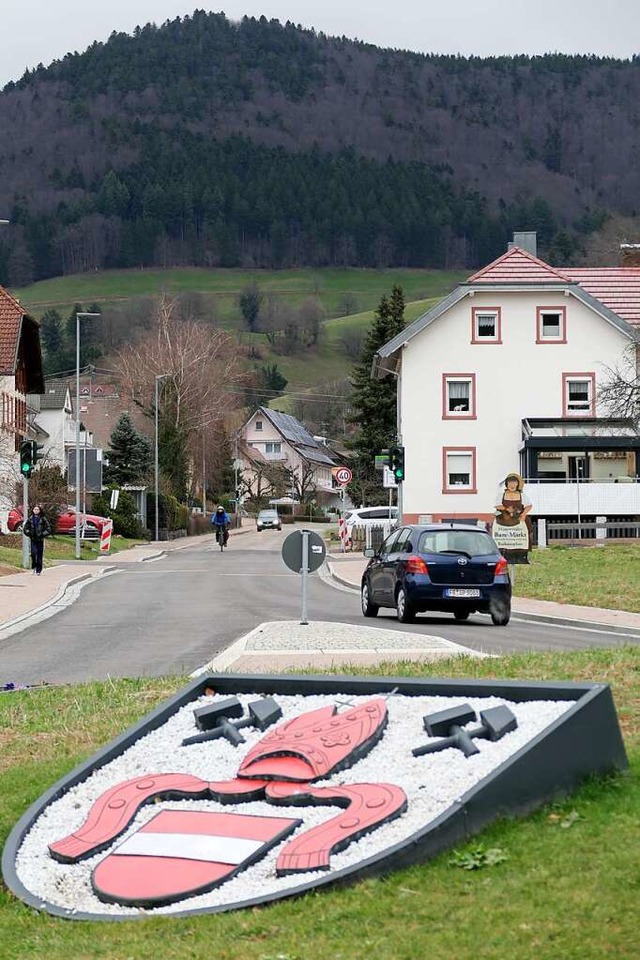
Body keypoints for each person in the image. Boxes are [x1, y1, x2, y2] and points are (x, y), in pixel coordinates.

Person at [494, 473, 533, 548]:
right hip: (504, 519)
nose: (512, 485)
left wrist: (524, 514)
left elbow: (529, 505)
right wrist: (506, 509)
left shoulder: (522, 495)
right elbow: (497, 505)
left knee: (523, 535)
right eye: (510, 483)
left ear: (517, 484)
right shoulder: (501, 495)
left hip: (519, 519)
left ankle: (522, 552)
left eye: (514, 482)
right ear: (507, 484)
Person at [23, 504, 52, 576]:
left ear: (40, 511)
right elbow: (25, 528)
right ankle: (33, 567)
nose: (36, 511)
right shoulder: (30, 519)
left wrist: (43, 534)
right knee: (33, 553)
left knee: (39, 554)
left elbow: (48, 529)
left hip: (40, 539)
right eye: (34, 509)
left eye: (37, 509)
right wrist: (28, 533)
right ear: (33, 510)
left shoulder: (43, 518)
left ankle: (39, 570)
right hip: (33, 539)